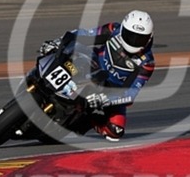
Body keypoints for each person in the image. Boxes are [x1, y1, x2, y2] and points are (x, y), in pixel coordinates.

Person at [39, 10, 155, 141]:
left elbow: (131, 93)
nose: (134, 41)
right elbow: (86, 34)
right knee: (65, 52)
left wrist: (106, 99)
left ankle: (84, 122)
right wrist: (58, 42)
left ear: (149, 38)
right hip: (91, 65)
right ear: (123, 29)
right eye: (130, 35)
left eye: (140, 38)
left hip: (110, 91)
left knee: (115, 130)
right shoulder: (113, 30)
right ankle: (41, 75)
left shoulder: (147, 63)